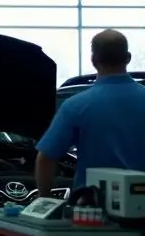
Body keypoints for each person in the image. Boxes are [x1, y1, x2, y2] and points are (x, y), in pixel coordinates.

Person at [35, 29, 145, 197]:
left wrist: (44, 200)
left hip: (92, 211)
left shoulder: (76, 105)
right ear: (128, 57)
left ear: (94, 60)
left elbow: (46, 158)